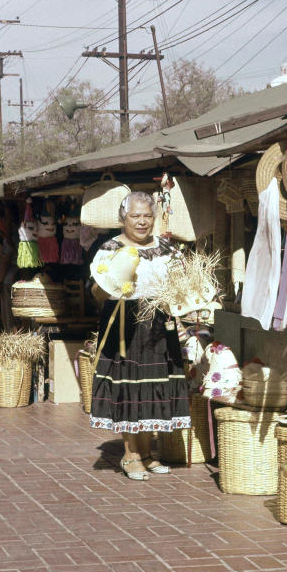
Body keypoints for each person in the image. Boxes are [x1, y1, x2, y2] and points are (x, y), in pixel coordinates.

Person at [88, 192, 191, 480]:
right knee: (129, 389)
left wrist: (181, 316)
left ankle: (146, 453)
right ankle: (130, 455)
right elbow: (97, 292)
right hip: (126, 324)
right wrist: (113, 284)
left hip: (159, 324)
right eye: (135, 216)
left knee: (152, 389)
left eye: (147, 215)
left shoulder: (167, 249)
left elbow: (178, 290)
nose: (142, 221)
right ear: (123, 219)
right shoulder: (109, 249)